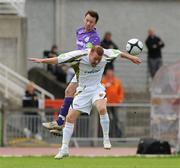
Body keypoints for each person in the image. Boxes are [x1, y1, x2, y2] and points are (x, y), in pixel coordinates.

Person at [29, 45, 141, 159]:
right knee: (70, 118)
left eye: (99, 59)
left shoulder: (106, 54)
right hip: (83, 90)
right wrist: (42, 60)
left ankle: (106, 138)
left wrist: (131, 57)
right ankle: (64, 149)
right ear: (90, 53)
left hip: (97, 88)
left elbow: (118, 52)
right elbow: (58, 59)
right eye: (95, 59)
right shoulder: (79, 55)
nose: (97, 62)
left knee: (102, 108)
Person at [42, 10, 101, 136]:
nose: (89, 23)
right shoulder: (79, 31)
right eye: (87, 20)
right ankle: (60, 123)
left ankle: (62, 124)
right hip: (78, 69)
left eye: (92, 22)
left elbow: (92, 57)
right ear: (84, 19)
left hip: (86, 72)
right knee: (69, 91)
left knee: (76, 97)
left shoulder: (95, 38)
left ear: (95, 23)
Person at [101, 68, 124, 137]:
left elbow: (121, 92)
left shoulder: (116, 81)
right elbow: (100, 91)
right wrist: (105, 86)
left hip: (115, 104)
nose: (110, 73)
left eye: (111, 71)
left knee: (115, 119)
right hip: (106, 104)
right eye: (109, 71)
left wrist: (120, 99)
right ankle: (106, 134)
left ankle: (116, 134)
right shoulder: (103, 81)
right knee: (106, 119)